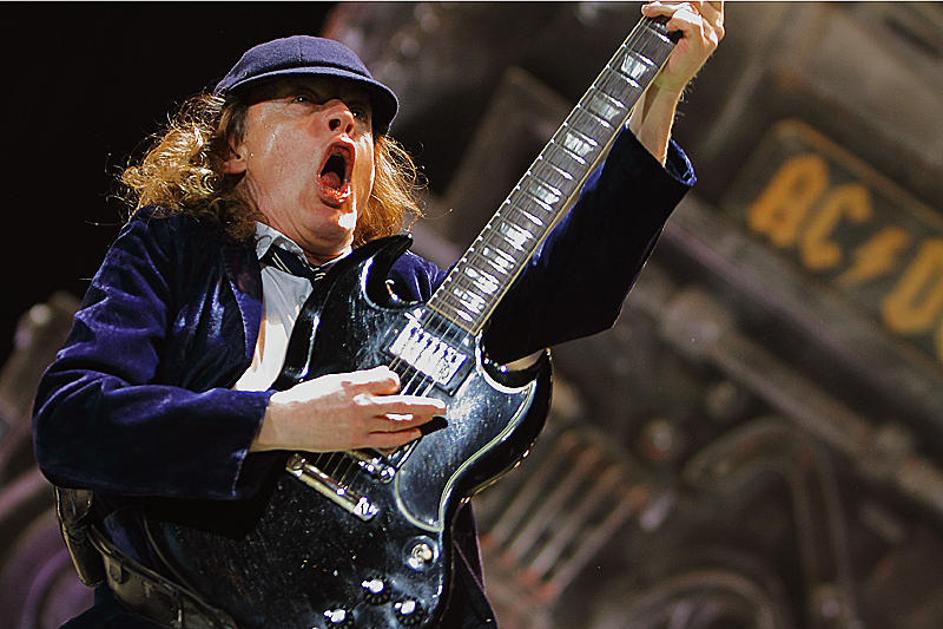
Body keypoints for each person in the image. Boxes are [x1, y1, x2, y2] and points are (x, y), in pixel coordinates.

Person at [33, 2, 724, 627]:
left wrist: (659, 96)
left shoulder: (408, 294)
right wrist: (279, 421)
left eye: (360, 118)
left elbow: (568, 295)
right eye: (306, 101)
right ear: (233, 147)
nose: (344, 120)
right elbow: (72, 422)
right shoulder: (175, 250)